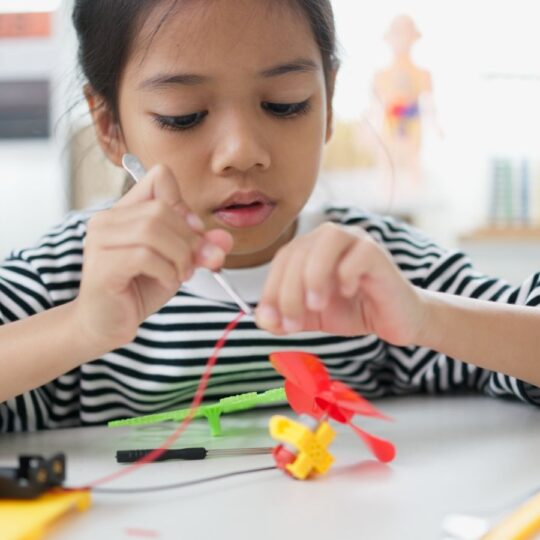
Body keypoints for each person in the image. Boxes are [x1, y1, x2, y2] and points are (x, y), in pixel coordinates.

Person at [0, 0, 538, 432]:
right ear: (109, 124)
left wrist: (425, 318)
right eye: (183, 116)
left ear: (327, 99)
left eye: (286, 103)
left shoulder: (382, 273)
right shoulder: (63, 282)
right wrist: (78, 328)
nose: (242, 151)